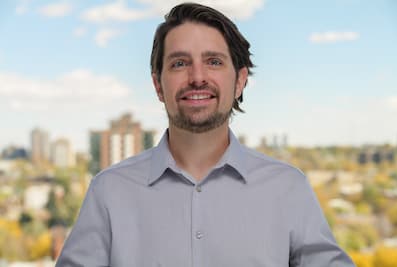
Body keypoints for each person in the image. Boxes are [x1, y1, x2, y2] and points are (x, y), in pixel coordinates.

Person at [56, 2, 355, 267]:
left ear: (239, 81)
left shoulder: (288, 188)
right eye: (179, 63)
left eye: (213, 62)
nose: (197, 77)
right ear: (158, 85)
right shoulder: (108, 191)